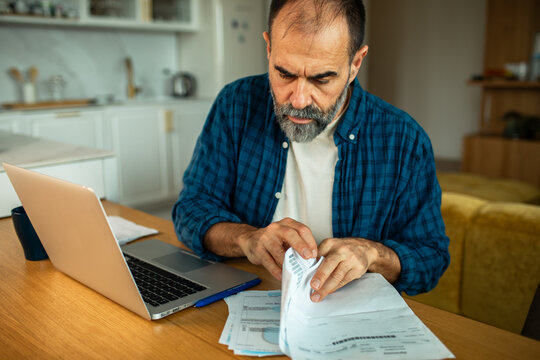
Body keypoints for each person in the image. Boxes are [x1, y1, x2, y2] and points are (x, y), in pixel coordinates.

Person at [172, 0, 449, 303]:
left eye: (322, 79)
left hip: (350, 317)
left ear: (356, 63)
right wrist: (246, 239)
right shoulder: (235, 105)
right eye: (284, 74)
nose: (300, 100)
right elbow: (190, 209)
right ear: (268, 49)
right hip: (243, 297)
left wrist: (372, 255)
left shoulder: (404, 140)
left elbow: (431, 257)